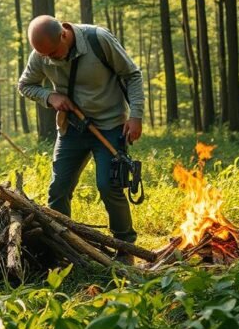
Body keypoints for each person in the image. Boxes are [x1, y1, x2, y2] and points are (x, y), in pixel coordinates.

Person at [17, 15, 144, 257]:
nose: (50, 59)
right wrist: (50, 97)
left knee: (109, 185)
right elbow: (25, 85)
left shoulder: (98, 39)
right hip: (71, 128)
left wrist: (135, 115)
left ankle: (125, 247)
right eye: (45, 56)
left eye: (54, 53)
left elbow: (132, 74)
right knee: (59, 188)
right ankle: (60, 247)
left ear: (64, 34)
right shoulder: (42, 54)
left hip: (109, 126)